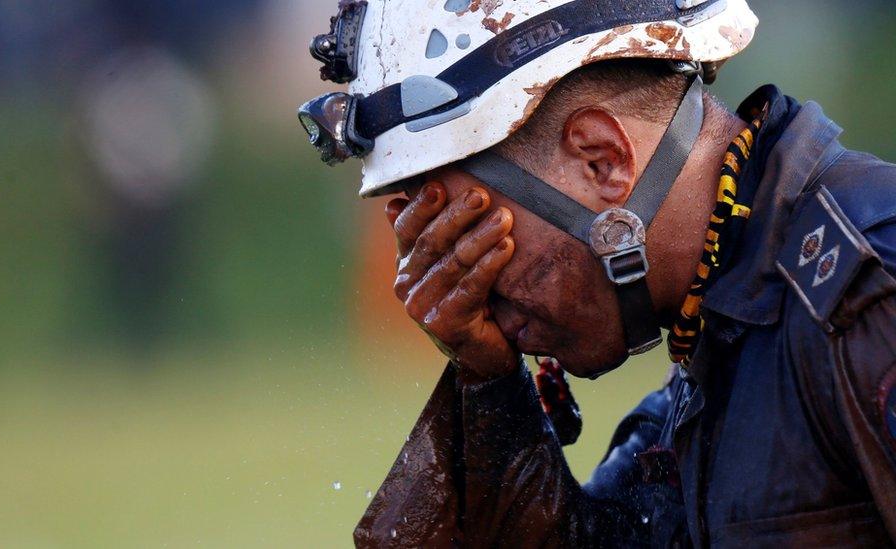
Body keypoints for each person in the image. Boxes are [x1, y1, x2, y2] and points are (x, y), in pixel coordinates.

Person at [298, 0, 896, 546]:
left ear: (601, 159)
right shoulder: (720, 330)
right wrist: (488, 388)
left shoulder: (869, 296)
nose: (477, 302)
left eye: (474, 239)